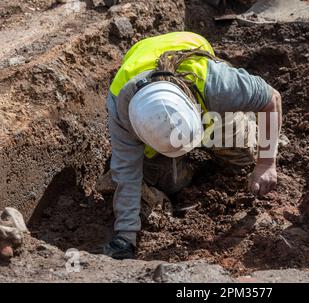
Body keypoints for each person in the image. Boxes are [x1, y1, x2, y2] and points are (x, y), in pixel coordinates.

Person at [103, 31, 282, 259]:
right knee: (166, 182)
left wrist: (266, 163)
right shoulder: (122, 111)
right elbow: (127, 169)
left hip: (210, 111)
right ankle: (185, 167)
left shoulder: (216, 84)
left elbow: (272, 99)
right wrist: (125, 236)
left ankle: (239, 129)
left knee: (242, 160)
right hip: (161, 126)